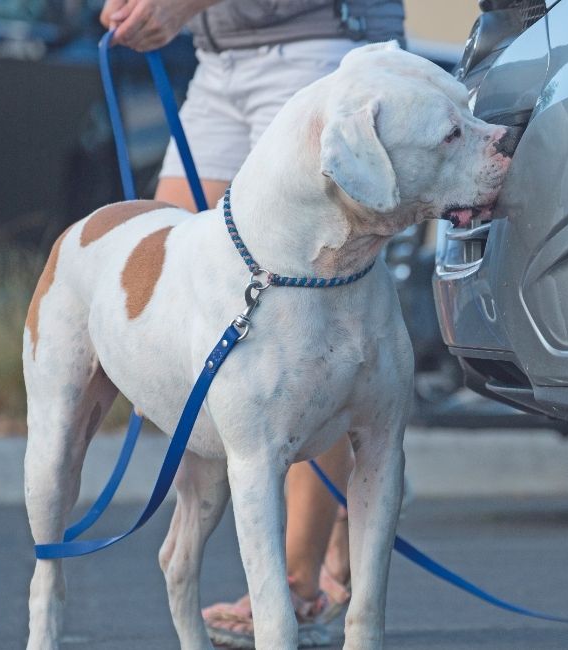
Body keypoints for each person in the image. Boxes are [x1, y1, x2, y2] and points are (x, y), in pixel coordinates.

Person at [97, 1, 405, 647]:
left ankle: (298, 583)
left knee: (308, 339)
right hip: (217, 61)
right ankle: (335, 528)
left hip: (320, 48)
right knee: (172, 298)